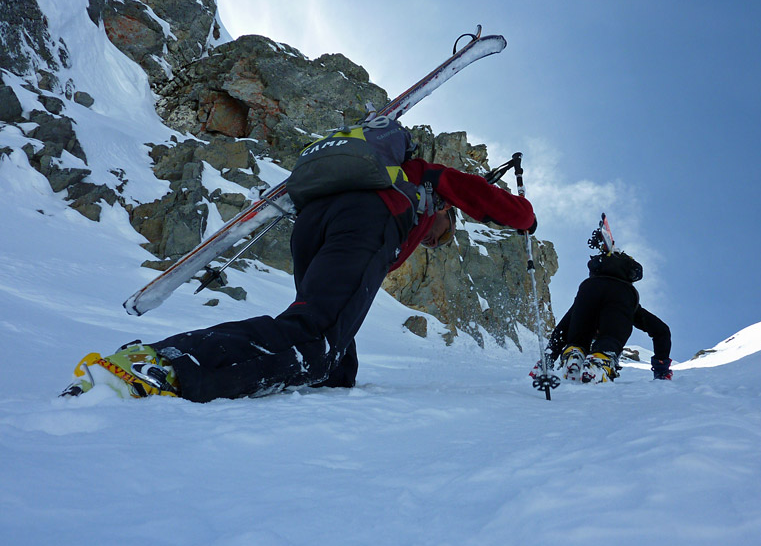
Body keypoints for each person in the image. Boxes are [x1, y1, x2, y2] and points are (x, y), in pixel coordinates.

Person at [81, 133, 536, 402]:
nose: (431, 242)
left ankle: (321, 378)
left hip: (313, 226)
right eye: (438, 235)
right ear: (442, 214)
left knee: (329, 353)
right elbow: (482, 196)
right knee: (313, 337)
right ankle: (163, 365)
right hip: (367, 220)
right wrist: (525, 217)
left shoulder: (374, 176)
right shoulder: (422, 178)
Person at [532, 248, 672, 385]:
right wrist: (661, 370)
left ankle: (574, 353)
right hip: (622, 295)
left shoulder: (590, 286)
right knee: (611, 337)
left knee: (578, 336)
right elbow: (661, 330)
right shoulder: (627, 295)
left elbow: (563, 328)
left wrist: (547, 360)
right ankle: (600, 359)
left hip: (588, 290)